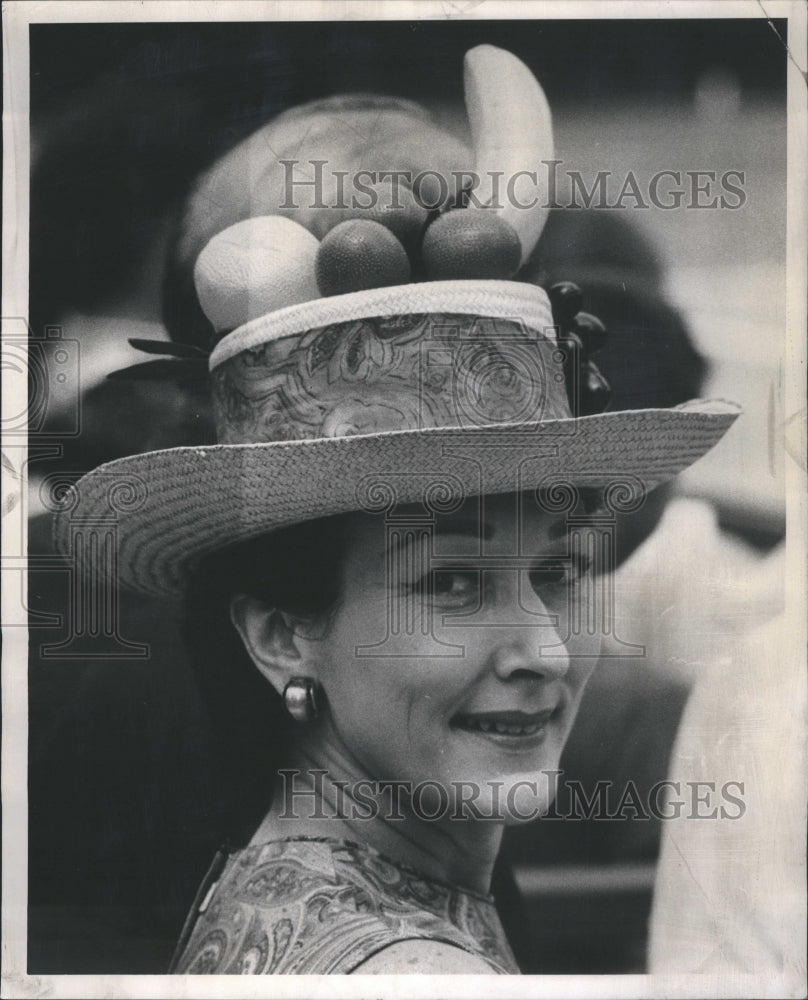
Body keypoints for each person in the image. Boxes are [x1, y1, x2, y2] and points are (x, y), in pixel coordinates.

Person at [54, 44, 738, 975]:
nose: (543, 648)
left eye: (560, 570)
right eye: (452, 581)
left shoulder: (283, 867)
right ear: (280, 634)